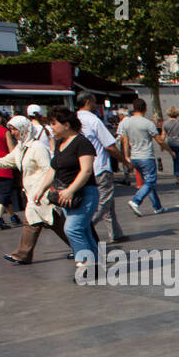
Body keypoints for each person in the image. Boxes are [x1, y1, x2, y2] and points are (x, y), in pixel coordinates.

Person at [0, 115, 70, 264]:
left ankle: (81, 247)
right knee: (41, 223)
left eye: (14, 129)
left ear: (23, 129)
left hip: (42, 193)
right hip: (33, 194)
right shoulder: (20, 148)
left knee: (49, 223)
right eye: (11, 129)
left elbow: (48, 169)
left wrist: (47, 190)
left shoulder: (37, 148)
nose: (12, 133)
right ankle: (23, 255)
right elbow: (4, 162)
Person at [38, 105, 99, 272]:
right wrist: (41, 189)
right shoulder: (60, 143)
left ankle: (86, 263)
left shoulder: (82, 143)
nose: (51, 127)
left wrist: (71, 190)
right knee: (83, 229)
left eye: (54, 123)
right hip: (65, 195)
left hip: (84, 193)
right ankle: (94, 262)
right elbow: (53, 169)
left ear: (66, 124)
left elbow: (86, 170)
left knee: (73, 228)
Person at [77, 92, 129, 243]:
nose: (96, 105)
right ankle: (81, 230)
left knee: (108, 202)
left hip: (83, 167)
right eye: (94, 102)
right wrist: (125, 161)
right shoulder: (94, 120)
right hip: (100, 166)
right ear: (87, 102)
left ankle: (115, 232)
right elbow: (110, 146)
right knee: (103, 202)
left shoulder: (75, 119)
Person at [118, 97, 169, 215]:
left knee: (148, 182)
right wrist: (170, 151)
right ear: (145, 109)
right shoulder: (148, 123)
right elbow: (159, 140)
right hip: (146, 156)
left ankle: (158, 207)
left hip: (134, 157)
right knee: (150, 181)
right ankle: (136, 200)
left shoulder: (126, 123)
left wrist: (126, 156)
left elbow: (124, 141)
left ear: (133, 108)